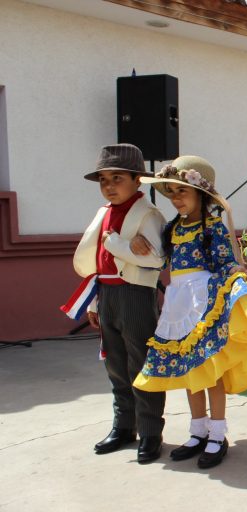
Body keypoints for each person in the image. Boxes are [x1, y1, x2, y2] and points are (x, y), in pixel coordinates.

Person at [131, 155, 247, 468]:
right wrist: (136, 244)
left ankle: (217, 435)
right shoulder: (172, 229)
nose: (176, 198)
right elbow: (160, 259)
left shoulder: (212, 227)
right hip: (178, 303)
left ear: (200, 193)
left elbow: (225, 263)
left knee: (211, 372)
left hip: (204, 302)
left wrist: (235, 277)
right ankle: (198, 432)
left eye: (182, 191)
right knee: (189, 370)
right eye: (171, 192)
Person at [61, 144, 167, 463]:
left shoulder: (149, 214)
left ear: (137, 180)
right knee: (115, 364)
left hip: (134, 295)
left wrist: (117, 243)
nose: (109, 186)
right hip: (106, 293)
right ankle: (123, 426)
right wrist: (94, 302)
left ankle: (151, 431)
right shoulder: (103, 213)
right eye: (104, 180)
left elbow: (155, 259)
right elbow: (99, 262)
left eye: (117, 178)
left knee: (141, 363)